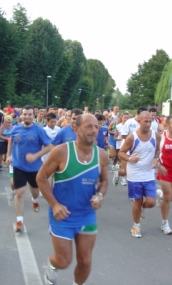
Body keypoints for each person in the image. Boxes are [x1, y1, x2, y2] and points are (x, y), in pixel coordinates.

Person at [36, 114, 108, 285]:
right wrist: (54, 205)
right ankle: (52, 266)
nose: (93, 131)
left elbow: (104, 181)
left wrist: (99, 195)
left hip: (86, 214)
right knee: (64, 261)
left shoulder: (102, 155)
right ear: (75, 129)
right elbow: (41, 178)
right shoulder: (61, 152)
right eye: (88, 127)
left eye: (96, 127)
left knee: (85, 261)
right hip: (63, 215)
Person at [6, 105, 52, 233]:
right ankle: (19, 221)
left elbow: (49, 147)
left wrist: (35, 156)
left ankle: (35, 200)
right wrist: (9, 155)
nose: (27, 116)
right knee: (20, 193)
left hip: (34, 168)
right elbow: (11, 140)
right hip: (18, 166)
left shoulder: (39, 130)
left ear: (34, 116)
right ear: (21, 115)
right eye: (25, 114)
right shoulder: (16, 129)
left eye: (30, 114)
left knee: (35, 191)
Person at [119, 111, 160, 238]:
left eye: (150, 121)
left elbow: (158, 149)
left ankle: (141, 209)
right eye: (145, 121)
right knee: (137, 201)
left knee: (151, 202)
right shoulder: (132, 137)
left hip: (148, 173)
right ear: (139, 121)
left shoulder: (156, 135)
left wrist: (156, 158)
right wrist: (129, 159)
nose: (148, 124)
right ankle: (136, 226)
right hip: (135, 174)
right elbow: (121, 153)